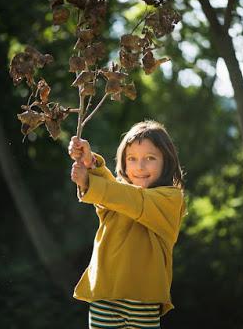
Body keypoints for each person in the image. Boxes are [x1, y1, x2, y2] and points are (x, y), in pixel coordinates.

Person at [68, 120, 186, 329]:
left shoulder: (170, 199)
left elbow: (133, 200)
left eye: (150, 158)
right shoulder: (116, 196)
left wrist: (89, 181)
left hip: (144, 300)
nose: (139, 167)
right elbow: (115, 193)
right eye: (132, 159)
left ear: (166, 161)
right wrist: (90, 163)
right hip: (105, 296)